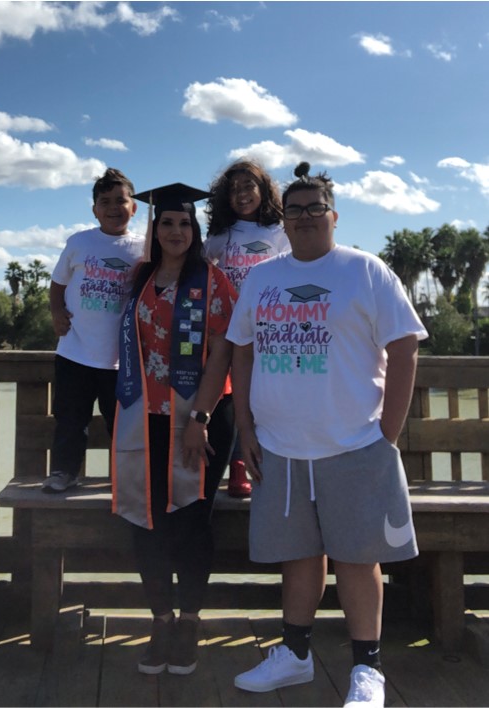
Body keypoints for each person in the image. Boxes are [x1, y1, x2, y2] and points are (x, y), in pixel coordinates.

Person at [226, 162, 428, 707]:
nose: (306, 217)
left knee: (360, 558)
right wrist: (245, 424)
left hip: (354, 443)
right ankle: (294, 656)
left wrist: (388, 429)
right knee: (298, 555)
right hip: (280, 445)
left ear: (333, 216)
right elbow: (241, 348)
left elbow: (405, 345)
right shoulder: (264, 277)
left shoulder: (366, 270)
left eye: (316, 208)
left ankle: (367, 669)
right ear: (283, 222)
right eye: (295, 211)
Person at [112, 183, 237, 676]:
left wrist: (199, 419)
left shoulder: (214, 282)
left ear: (195, 229)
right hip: (145, 417)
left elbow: (224, 352)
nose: (176, 231)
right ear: (155, 228)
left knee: (189, 520)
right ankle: (159, 620)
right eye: (167, 222)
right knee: (146, 519)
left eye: (185, 223)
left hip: (199, 420)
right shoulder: (139, 278)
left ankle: (188, 622)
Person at [42, 168, 144, 493]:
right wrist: (57, 312)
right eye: (105, 202)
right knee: (71, 419)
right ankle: (64, 472)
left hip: (121, 360)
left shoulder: (144, 250)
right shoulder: (79, 242)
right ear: (94, 209)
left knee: (122, 425)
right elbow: (57, 286)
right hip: (75, 352)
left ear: (134, 206)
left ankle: (124, 478)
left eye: (121, 200)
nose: (114, 207)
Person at [205, 159, 289, 497]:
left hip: (269, 329)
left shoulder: (279, 231)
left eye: (248, 186)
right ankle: (232, 467)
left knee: (259, 397)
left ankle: (261, 462)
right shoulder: (219, 236)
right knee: (228, 397)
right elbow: (201, 267)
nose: (241, 195)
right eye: (234, 189)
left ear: (264, 190)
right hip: (227, 329)